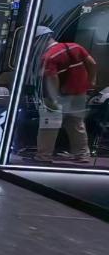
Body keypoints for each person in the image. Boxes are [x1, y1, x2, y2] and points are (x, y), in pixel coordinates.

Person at [35, 26, 97, 163]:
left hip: (60, 95)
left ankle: (43, 156)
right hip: (79, 93)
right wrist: (91, 82)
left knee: (49, 126)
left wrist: (53, 98)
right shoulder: (75, 47)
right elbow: (92, 63)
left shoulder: (49, 56)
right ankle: (82, 155)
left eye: (35, 41)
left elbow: (52, 78)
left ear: (41, 40)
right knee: (76, 124)